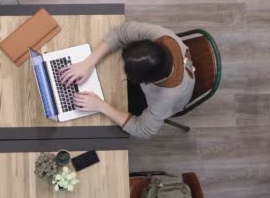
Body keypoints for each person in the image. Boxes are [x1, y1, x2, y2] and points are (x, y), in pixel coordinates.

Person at [59, 21, 195, 139]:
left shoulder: (165, 98)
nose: (119, 67)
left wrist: (101, 106)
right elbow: (121, 32)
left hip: (162, 101)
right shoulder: (160, 37)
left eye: (126, 72)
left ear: (142, 82)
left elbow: (143, 130)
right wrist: (87, 63)